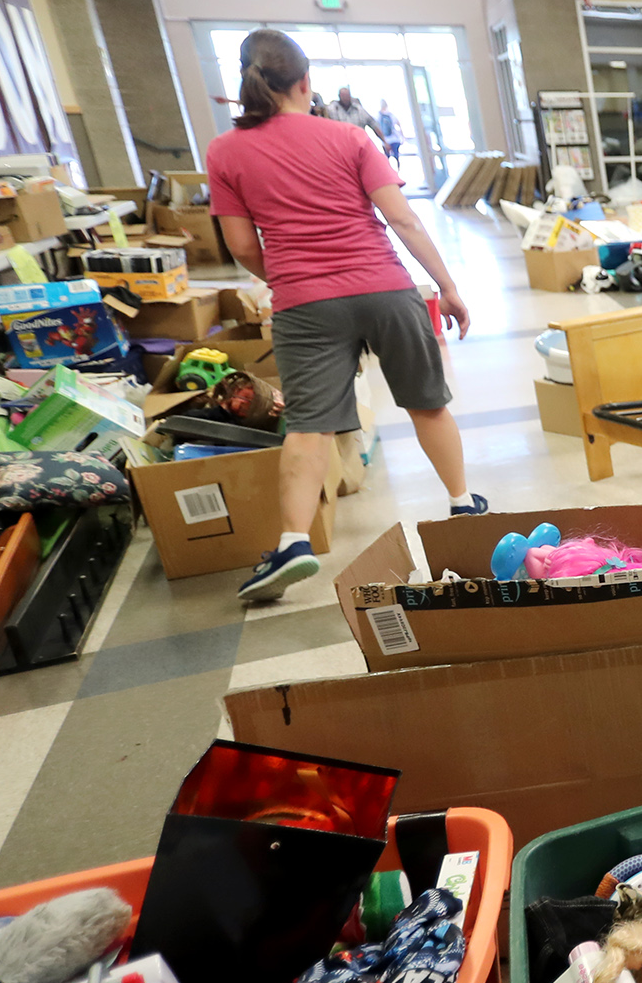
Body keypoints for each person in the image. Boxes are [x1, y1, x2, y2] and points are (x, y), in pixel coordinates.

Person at [208, 30, 485, 604]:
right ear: (306, 84)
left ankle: (292, 544)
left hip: (303, 303)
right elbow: (404, 221)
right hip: (385, 287)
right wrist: (448, 286)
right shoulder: (350, 136)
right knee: (426, 402)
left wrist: (288, 277)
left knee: (309, 426)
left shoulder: (225, 152)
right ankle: (462, 505)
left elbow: (240, 245)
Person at [375, 100, 404, 167]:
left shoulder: (378, 115)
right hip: (395, 139)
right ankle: (398, 171)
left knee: (387, 158)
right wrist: (402, 136)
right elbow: (398, 124)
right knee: (396, 157)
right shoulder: (391, 115)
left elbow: (376, 127)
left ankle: (389, 172)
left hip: (385, 140)